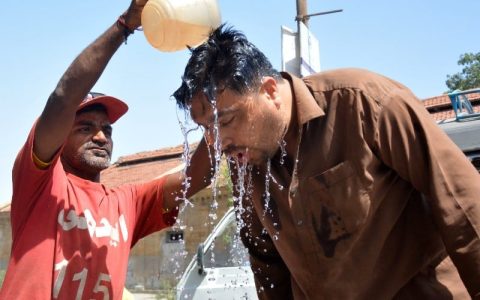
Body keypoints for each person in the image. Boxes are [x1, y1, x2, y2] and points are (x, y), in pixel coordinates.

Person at [173, 25, 480, 299]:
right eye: (206, 128)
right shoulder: (245, 161)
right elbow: (265, 260)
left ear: (269, 91)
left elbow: (462, 204)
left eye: (225, 120)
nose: (216, 143)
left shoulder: (364, 104)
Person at [0, 1, 212, 299]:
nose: (101, 136)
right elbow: (63, 97)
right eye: (85, 128)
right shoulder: (40, 184)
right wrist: (123, 26)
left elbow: (198, 177)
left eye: (107, 130)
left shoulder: (127, 202)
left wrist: (216, 116)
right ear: (61, 136)